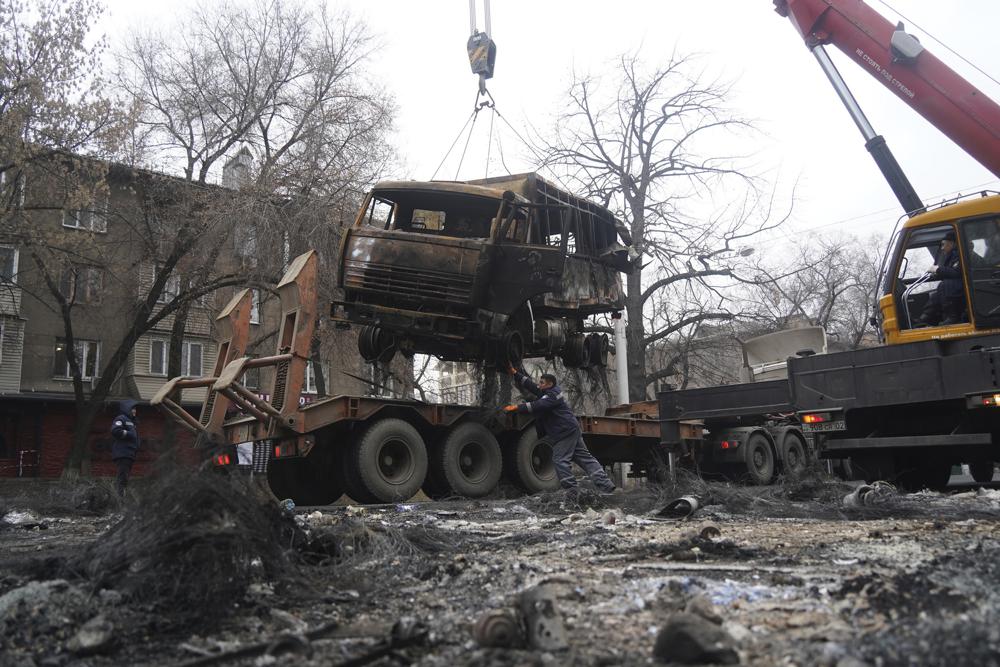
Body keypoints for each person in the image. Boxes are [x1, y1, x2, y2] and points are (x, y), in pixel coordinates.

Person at [505, 367, 616, 495]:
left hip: (565, 432)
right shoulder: (546, 392)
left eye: (542, 382)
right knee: (585, 458)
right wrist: (515, 374)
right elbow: (531, 385)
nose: (539, 385)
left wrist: (517, 407)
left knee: (559, 459)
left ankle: (572, 490)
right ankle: (606, 486)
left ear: (550, 384)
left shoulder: (554, 394)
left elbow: (539, 405)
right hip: (570, 430)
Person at [920, 230, 966, 326]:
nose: (942, 248)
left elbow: (956, 272)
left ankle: (953, 317)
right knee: (936, 295)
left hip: (966, 285)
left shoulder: (960, 254)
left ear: (952, 244)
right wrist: (936, 273)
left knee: (944, 285)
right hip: (958, 286)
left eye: (944, 245)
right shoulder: (951, 256)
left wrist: (938, 269)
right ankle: (923, 319)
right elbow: (949, 271)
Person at [110, 400, 141, 497]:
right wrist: (129, 435)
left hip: (129, 454)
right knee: (122, 478)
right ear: (127, 409)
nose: (135, 411)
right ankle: (119, 499)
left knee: (125, 478)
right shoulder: (121, 418)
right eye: (133, 409)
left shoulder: (132, 422)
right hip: (123, 453)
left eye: (135, 409)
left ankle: (122, 496)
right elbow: (115, 430)